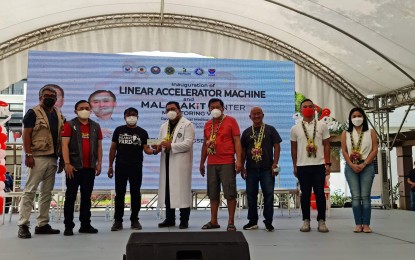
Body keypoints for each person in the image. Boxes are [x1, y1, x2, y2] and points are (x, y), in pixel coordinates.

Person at [18, 85, 64, 239]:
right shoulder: (33, 112)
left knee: (46, 193)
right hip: (36, 157)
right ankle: (23, 224)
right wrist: (28, 154)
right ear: (40, 97)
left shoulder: (57, 113)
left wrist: (62, 158)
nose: (50, 97)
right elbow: (26, 134)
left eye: (52, 95)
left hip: (52, 158)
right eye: (46, 95)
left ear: (56, 99)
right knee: (30, 191)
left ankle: (42, 224)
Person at [108, 107, 155, 231]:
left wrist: (155, 151)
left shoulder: (143, 132)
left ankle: (135, 220)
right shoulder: (119, 130)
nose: (131, 117)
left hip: (136, 167)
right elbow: (113, 148)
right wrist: (110, 166)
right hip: (120, 167)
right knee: (120, 194)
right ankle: (118, 221)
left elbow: (147, 148)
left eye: (134, 115)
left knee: (135, 194)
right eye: (129, 115)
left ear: (138, 117)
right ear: (124, 117)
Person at [200, 98, 242, 231]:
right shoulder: (207, 124)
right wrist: (202, 162)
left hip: (227, 162)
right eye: (212, 107)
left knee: (230, 192)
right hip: (211, 163)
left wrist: (239, 160)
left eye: (217, 107)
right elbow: (205, 145)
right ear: (209, 109)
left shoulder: (231, 121)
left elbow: (237, 142)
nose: (215, 109)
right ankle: (214, 221)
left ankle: (231, 222)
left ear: (223, 108)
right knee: (213, 193)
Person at [62, 100, 103, 236]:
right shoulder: (69, 125)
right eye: (81, 108)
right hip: (73, 167)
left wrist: (99, 163)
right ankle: (68, 226)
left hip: (89, 167)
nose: (84, 110)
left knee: (86, 197)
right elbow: (64, 145)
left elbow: (99, 146)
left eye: (87, 108)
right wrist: (67, 164)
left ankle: (85, 225)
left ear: (91, 110)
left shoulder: (96, 126)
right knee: (70, 197)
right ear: (76, 111)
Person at [290, 99, 330, 233]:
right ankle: (306, 220)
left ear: (314, 109)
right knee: (305, 194)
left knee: (319, 194)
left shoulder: (322, 125)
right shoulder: (295, 128)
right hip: (302, 166)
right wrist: (295, 165)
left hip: (318, 165)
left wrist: (328, 163)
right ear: (301, 110)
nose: (307, 108)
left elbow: (327, 145)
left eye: (310, 106)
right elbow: (294, 149)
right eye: (305, 107)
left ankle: (321, 221)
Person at [154, 101, 195, 229]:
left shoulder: (187, 124)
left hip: (180, 163)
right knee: (168, 191)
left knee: (182, 191)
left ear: (179, 110)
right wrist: (156, 146)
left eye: (173, 109)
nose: (170, 111)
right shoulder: (164, 126)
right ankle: (170, 219)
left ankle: (184, 220)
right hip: (167, 160)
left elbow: (188, 144)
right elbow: (160, 141)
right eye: (168, 110)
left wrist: (171, 145)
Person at [241, 107, 281, 232]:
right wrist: (242, 166)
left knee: (269, 195)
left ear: (263, 115)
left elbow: (277, 146)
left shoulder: (270, 130)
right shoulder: (247, 132)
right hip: (251, 169)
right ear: (250, 117)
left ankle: (268, 222)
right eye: (254, 114)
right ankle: (252, 221)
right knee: (251, 196)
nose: (256, 116)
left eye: (259, 114)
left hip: (267, 169)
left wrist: (275, 163)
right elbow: (242, 150)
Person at [341, 107, 378, 232]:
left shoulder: (371, 132)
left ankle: (366, 224)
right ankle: (358, 223)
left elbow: (374, 149)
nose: (357, 118)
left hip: (367, 166)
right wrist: (351, 164)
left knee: (365, 196)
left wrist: (365, 163)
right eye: (354, 116)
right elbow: (344, 151)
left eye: (359, 116)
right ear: (350, 119)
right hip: (351, 167)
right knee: (356, 197)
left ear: (363, 117)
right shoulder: (345, 133)